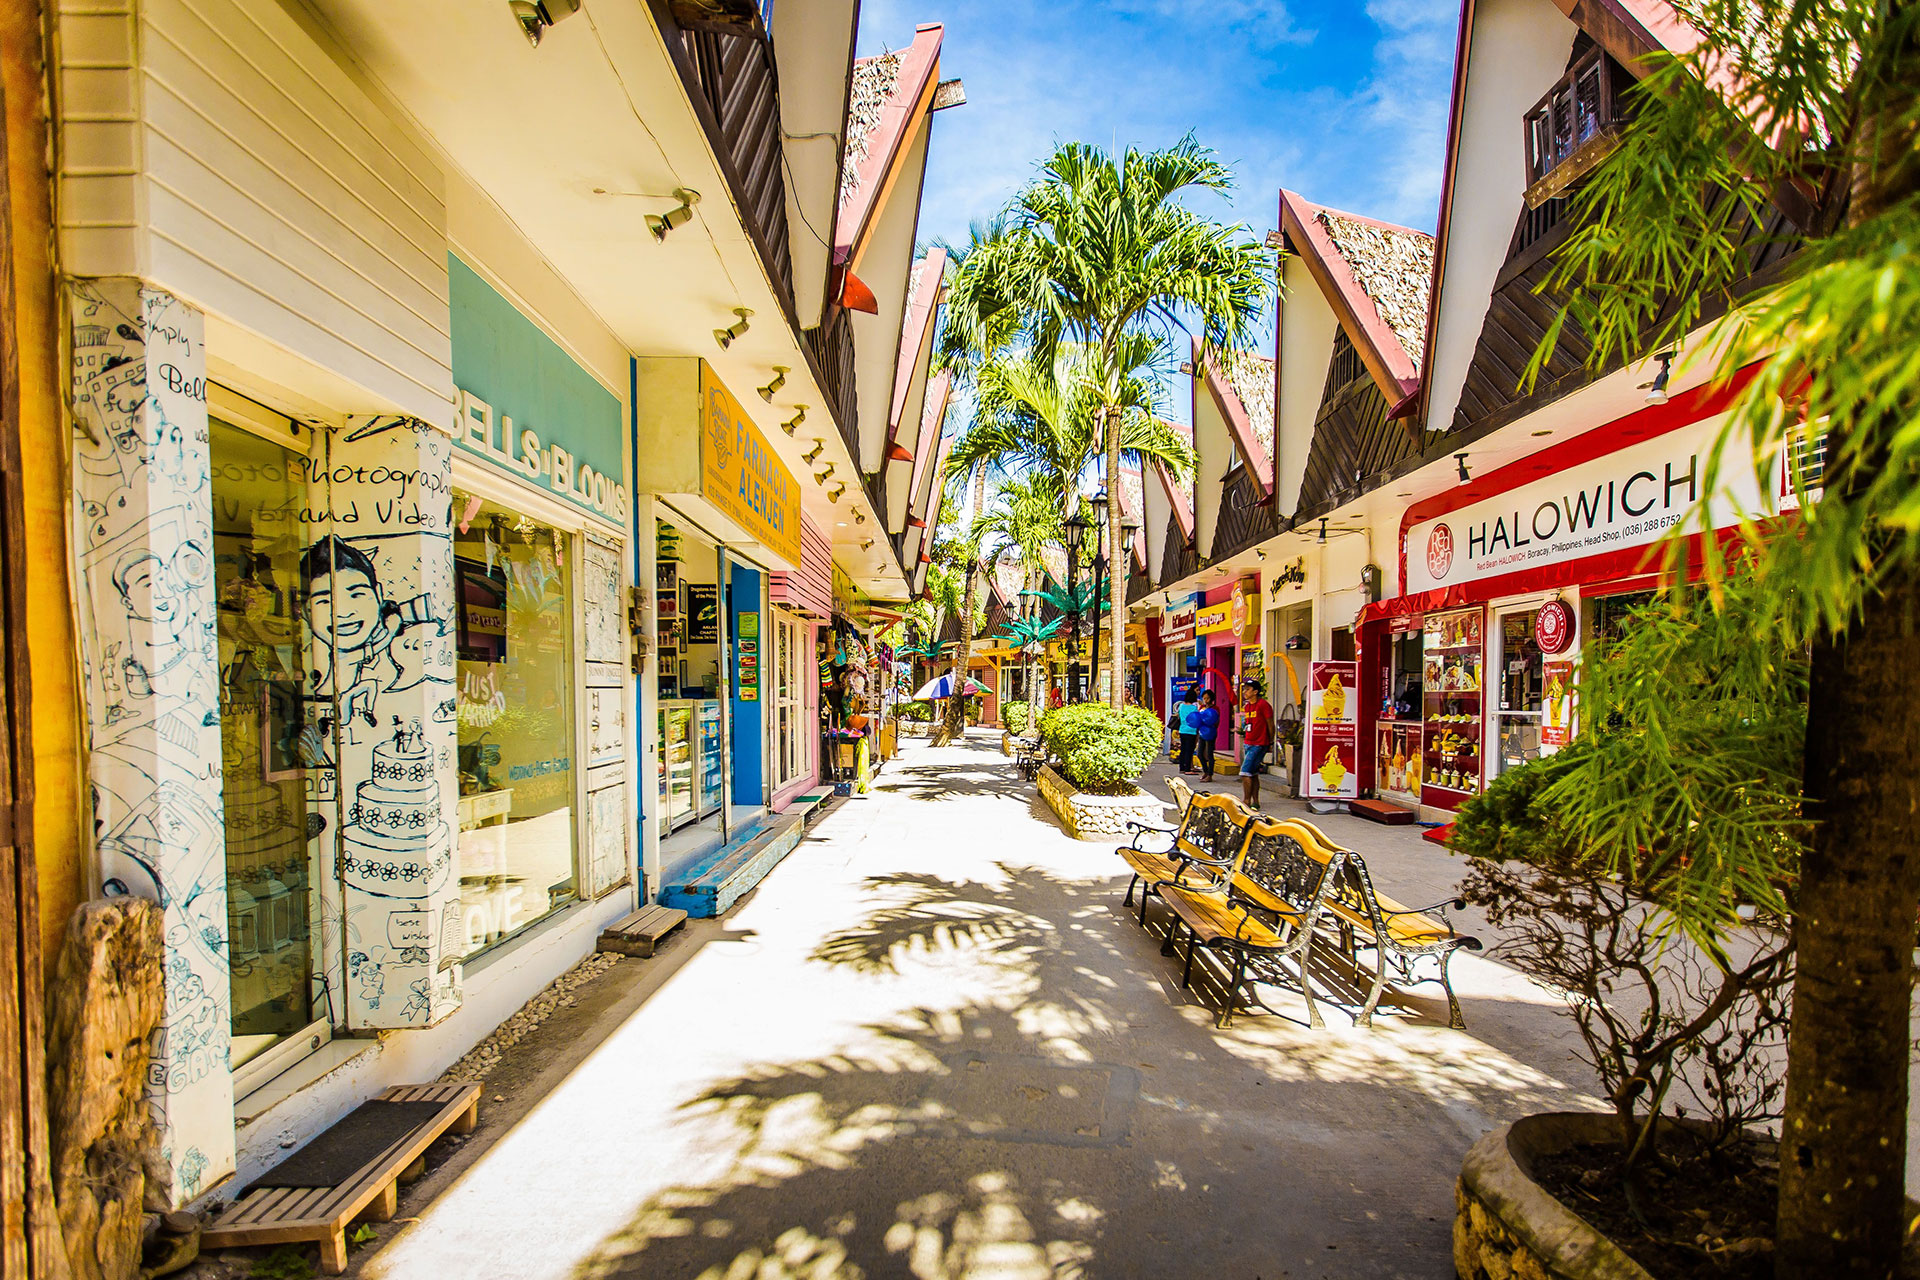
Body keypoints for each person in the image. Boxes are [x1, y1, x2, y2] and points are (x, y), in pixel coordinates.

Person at [1239, 677, 1275, 808]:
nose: (1245, 692)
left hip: (1259, 743)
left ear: (1255, 691)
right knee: (1253, 773)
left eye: (1248, 689)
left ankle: (1246, 800)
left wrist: (1270, 742)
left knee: (1244, 772)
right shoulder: (1248, 706)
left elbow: (1270, 724)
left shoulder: (1263, 705)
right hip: (1248, 741)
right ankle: (1255, 801)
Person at [1170, 688, 1200, 774]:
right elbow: (1196, 719)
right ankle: (1188, 769)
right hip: (1191, 731)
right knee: (1189, 750)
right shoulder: (1194, 708)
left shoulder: (1181, 706)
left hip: (1182, 730)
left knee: (1183, 749)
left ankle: (1182, 768)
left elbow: (1179, 717)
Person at [1193, 689, 1221, 781]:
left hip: (1211, 733)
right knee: (1200, 753)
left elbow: (1216, 722)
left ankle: (1210, 774)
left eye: (1207, 698)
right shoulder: (1202, 708)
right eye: (1204, 698)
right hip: (1202, 732)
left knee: (1209, 754)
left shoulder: (1215, 709)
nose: (1206, 700)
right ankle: (1205, 771)